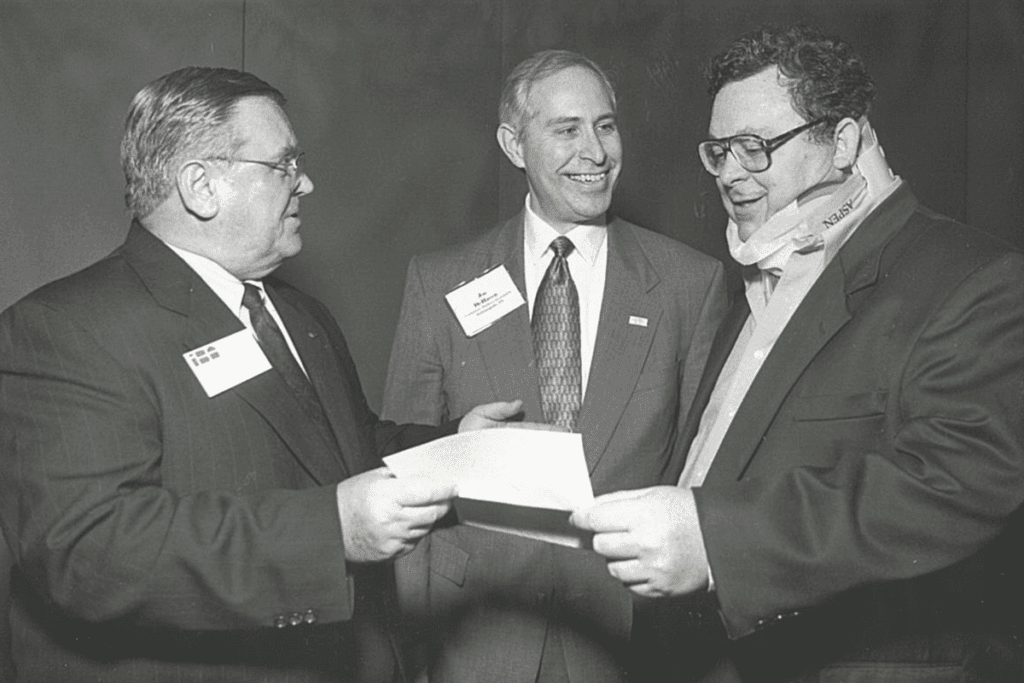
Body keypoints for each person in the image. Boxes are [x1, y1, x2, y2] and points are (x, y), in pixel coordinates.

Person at [0, 66, 525, 683]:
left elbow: (346, 446)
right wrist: (333, 531)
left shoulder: (300, 316)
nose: (305, 182)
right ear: (201, 186)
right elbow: (90, 551)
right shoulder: (65, 329)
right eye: (282, 165)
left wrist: (459, 448)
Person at [572, 24, 1024, 682]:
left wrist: (714, 542)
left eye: (755, 148)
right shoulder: (760, 281)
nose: (731, 173)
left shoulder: (971, 279)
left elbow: (955, 482)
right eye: (719, 151)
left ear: (842, 142)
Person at [381, 49, 727, 682]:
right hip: (473, 637)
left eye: (605, 126)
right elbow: (407, 475)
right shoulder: (440, 282)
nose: (594, 152)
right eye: (567, 130)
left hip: (627, 639)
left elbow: (702, 476)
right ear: (514, 145)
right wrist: (413, 655)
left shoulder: (689, 284)